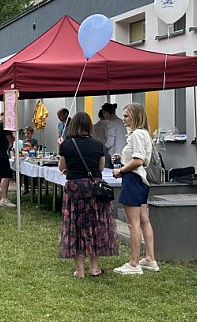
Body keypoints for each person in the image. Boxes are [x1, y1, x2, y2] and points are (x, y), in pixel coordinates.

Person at [57, 112, 117, 278]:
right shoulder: (98, 145)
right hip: (93, 189)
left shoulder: (67, 145)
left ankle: (80, 270)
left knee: (75, 226)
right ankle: (95, 268)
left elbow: (62, 168)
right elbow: (101, 167)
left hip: (74, 189)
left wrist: (60, 148)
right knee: (94, 225)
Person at [112, 103, 158, 275]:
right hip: (141, 181)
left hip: (133, 179)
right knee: (144, 220)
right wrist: (123, 158)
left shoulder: (137, 134)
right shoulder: (144, 134)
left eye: (126, 116)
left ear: (135, 116)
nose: (123, 119)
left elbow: (138, 160)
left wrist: (121, 170)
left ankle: (133, 263)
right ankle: (149, 258)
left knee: (133, 223)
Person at [102, 102, 127, 166]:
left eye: (103, 113)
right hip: (123, 153)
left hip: (115, 155)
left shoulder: (111, 123)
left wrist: (102, 148)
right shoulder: (121, 121)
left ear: (106, 112)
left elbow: (110, 142)